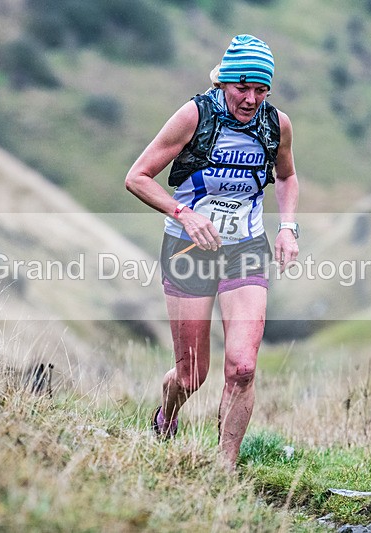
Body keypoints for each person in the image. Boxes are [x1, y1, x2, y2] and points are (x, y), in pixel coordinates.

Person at [125, 34, 299, 468]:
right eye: (243, 88)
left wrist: (288, 228)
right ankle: (168, 411)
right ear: (223, 82)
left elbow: (287, 177)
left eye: (261, 90)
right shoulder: (194, 115)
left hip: (245, 248)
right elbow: (138, 177)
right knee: (192, 375)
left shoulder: (276, 124)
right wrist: (184, 214)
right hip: (189, 248)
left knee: (242, 368)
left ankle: (224, 468)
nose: (251, 99)